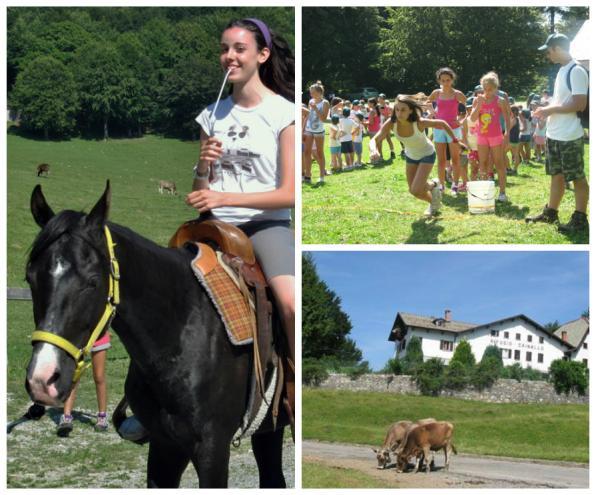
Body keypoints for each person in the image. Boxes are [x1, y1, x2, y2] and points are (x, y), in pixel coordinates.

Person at [187, 19, 295, 407]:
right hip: (214, 226)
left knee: (289, 302)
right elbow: (201, 193)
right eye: (224, 48)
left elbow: (289, 195)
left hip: (265, 224)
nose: (229, 56)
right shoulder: (211, 115)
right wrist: (202, 167)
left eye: (239, 48)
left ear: (262, 56)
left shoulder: (284, 113)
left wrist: (223, 197)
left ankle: (295, 386)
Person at [526, 33, 589, 233]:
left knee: (577, 177)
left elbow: (579, 103)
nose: (547, 55)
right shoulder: (563, 70)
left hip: (570, 135)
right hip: (555, 133)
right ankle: (551, 213)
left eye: (548, 51)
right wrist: (545, 107)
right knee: (557, 175)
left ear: (557, 48)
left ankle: (580, 219)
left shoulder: (577, 70)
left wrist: (550, 110)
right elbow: (562, 99)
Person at [370, 95, 460, 217]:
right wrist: (374, 150)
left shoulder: (419, 123)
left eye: (403, 110)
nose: (399, 113)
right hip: (411, 156)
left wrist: (455, 140)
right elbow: (375, 139)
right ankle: (434, 201)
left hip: (427, 154)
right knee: (414, 192)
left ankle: (434, 185)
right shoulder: (391, 123)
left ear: (410, 110)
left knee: (415, 189)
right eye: (397, 109)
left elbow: (442, 123)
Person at [57, 332, 110, 437]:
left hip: (98, 335)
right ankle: (66, 417)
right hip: (79, 336)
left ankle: (102, 417)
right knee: (74, 376)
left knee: (99, 377)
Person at [471, 71, 511, 202]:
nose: (487, 92)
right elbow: (472, 118)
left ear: (495, 88)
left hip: (496, 136)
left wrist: (507, 134)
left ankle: (502, 193)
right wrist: (479, 105)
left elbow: (507, 118)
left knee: (499, 163)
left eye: (490, 89)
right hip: (482, 136)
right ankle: (485, 192)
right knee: (482, 163)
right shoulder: (477, 99)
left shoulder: (500, 101)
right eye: (485, 89)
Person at [428, 67, 467, 195]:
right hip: (439, 128)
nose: (445, 83)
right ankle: (441, 186)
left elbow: (467, 110)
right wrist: (433, 113)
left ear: (452, 80)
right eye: (443, 80)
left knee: (456, 159)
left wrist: (460, 121)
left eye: (448, 80)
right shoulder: (436, 93)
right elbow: (427, 103)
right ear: (439, 80)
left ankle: (455, 185)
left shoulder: (458, 94)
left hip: (453, 129)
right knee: (441, 160)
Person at [304, 81, 329, 183]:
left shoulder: (325, 103)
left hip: (319, 130)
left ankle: (321, 176)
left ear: (319, 92)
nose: (311, 94)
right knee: (307, 152)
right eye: (310, 92)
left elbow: (323, 119)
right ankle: (307, 175)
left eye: (313, 92)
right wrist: (303, 129)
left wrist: (315, 108)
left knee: (319, 152)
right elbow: (309, 116)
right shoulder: (311, 101)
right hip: (309, 129)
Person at [378, 93, 396, 160]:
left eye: (380, 98)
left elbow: (390, 116)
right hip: (379, 125)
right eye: (378, 98)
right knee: (380, 140)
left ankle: (392, 152)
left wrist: (386, 116)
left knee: (388, 139)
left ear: (383, 99)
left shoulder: (387, 107)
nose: (378, 99)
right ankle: (380, 155)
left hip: (386, 125)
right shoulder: (378, 106)